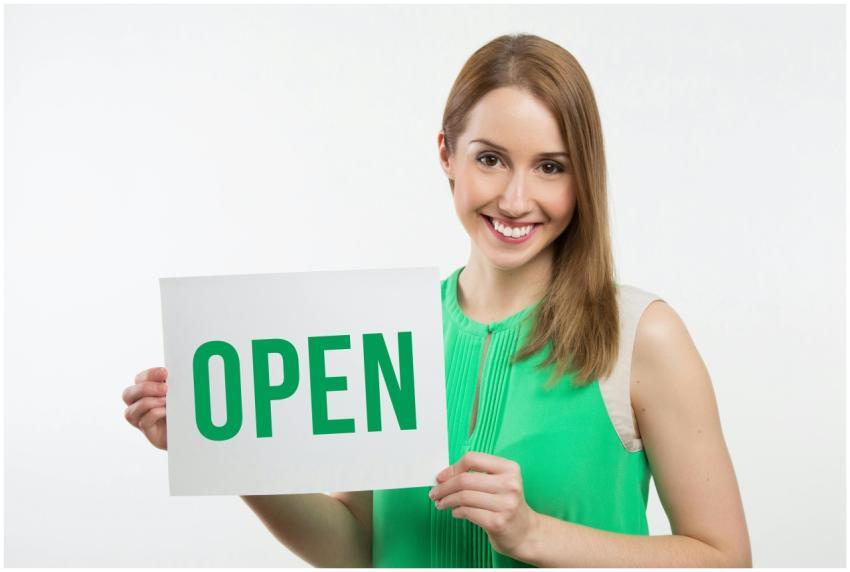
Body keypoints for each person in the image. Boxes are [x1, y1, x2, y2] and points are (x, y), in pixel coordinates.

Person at [122, 33, 751, 568]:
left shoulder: (643, 335)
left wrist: (534, 534)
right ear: (448, 155)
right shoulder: (391, 329)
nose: (514, 198)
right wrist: (221, 448)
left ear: (584, 174)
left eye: (551, 167)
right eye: (491, 159)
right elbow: (356, 543)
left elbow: (725, 559)